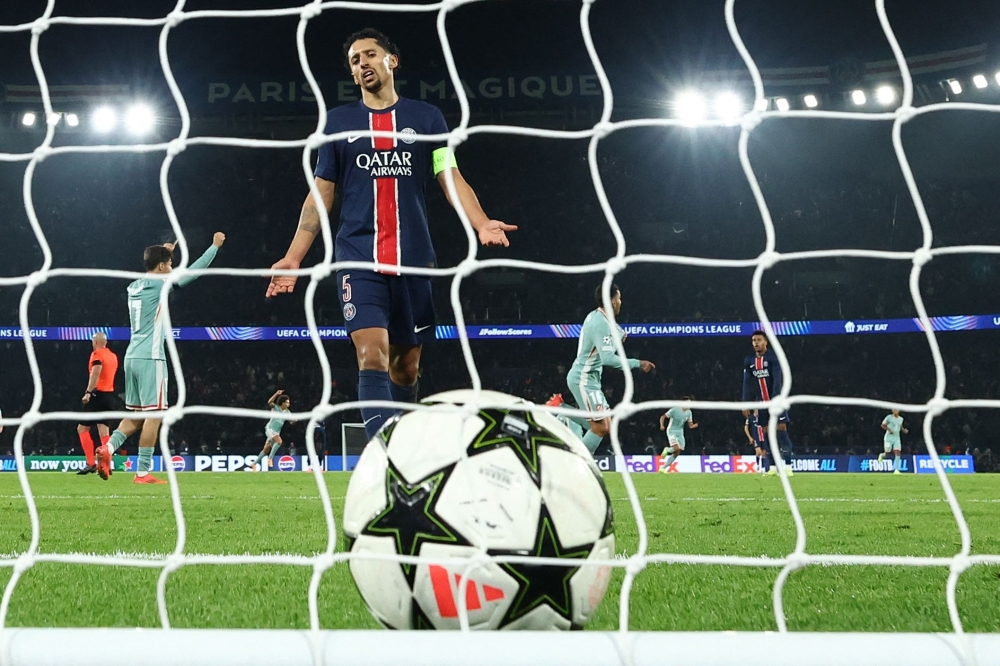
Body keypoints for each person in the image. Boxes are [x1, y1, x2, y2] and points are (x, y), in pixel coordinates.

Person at [265, 28, 516, 440]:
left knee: (406, 367)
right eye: (354, 60)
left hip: (415, 259)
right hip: (358, 257)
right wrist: (294, 257)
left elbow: (449, 175)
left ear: (391, 61)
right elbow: (320, 196)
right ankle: (386, 454)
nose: (361, 63)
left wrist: (481, 221)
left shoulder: (427, 118)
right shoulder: (338, 123)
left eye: (369, 54)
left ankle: (404, 434)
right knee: (371, 355)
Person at [97, 234, 226, 484]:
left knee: (135, 416)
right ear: (161, 267)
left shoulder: (133, 286)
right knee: (154, 415)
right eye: (169, 264)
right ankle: (142, 472)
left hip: (132, 357)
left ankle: (107, 449)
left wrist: (164, 252)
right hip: (151, 358)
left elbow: (154, 269)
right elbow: (193, 273)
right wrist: (214, 247)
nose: (172, 268)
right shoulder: (160, 284)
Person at [565, 284, 655, 454]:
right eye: (619, 298)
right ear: (613, 301)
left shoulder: (596, 316)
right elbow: (607, 358)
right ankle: (578, 462)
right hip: (583, 379)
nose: (621, 302)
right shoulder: (601, 324)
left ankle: (564, 412)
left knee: (604, 426)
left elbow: (606, 345)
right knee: (601, 428)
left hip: (589, 378)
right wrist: (638, 363)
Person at [742, 330, 793, 476]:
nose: (756, 343)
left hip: (776, 402)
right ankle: (771, 468)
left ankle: (788, 467)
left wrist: (776, 399)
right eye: (754, 340)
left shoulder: (773, 357)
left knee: (781, 430)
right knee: (766, 433)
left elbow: (778, 379)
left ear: (766, 342)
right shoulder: (749, 361)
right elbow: (746, 382)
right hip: (762, 404)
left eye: (759, 340)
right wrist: (745, 402)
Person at [76, 333, 119, 475]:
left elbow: (96, 372)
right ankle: (107, 465)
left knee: (82, 429)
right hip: (109, 395)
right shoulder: (113, 356)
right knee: (104, 431)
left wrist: (88, 392)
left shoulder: (97, 354)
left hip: (97, 394)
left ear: (95, 342)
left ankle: (90, 463)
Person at [254, 390, 291, 471]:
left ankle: (254, 464)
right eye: (287, 402)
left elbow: (291, 421)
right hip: (270, 429)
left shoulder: (287, 412)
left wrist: (295, 420)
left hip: (277, 432)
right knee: (279, 441)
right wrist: (276, 394)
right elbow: (269, 402)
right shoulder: (276, 408)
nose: (289, 404)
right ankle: (270, 459)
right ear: (283, 403)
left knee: (266, 449)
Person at [659, 399, 698, 471]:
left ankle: (663, 468)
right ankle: (667, 449)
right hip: (671, 431)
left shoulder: (689, 412)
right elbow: (663, 416)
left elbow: (690, 425)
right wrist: (662, 425)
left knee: (678, 451)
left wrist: (694, 426)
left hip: (680, 432)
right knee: (676, 448)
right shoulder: (675, 409)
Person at [878, 409, 908, 474]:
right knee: (887, 452)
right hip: (889, 437)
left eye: (896, 410)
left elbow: (900, 426)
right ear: (892, 411)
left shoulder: (901, 419)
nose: (895, 411)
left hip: (897, 437)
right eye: (894, 410)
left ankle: (896, 469)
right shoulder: (889, 417)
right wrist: (889, 430)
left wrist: (904, 430)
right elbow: (883, 425)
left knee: (897, 452)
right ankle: (882, 455)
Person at [744, 409, 770, 475]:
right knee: (758, 451)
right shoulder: (750, 418)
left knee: (764, 453)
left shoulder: (763, 418)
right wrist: (750, 437)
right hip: (756, 437)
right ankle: (758, 466)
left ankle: (763, 468)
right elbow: (746, 428)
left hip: (763, 437)